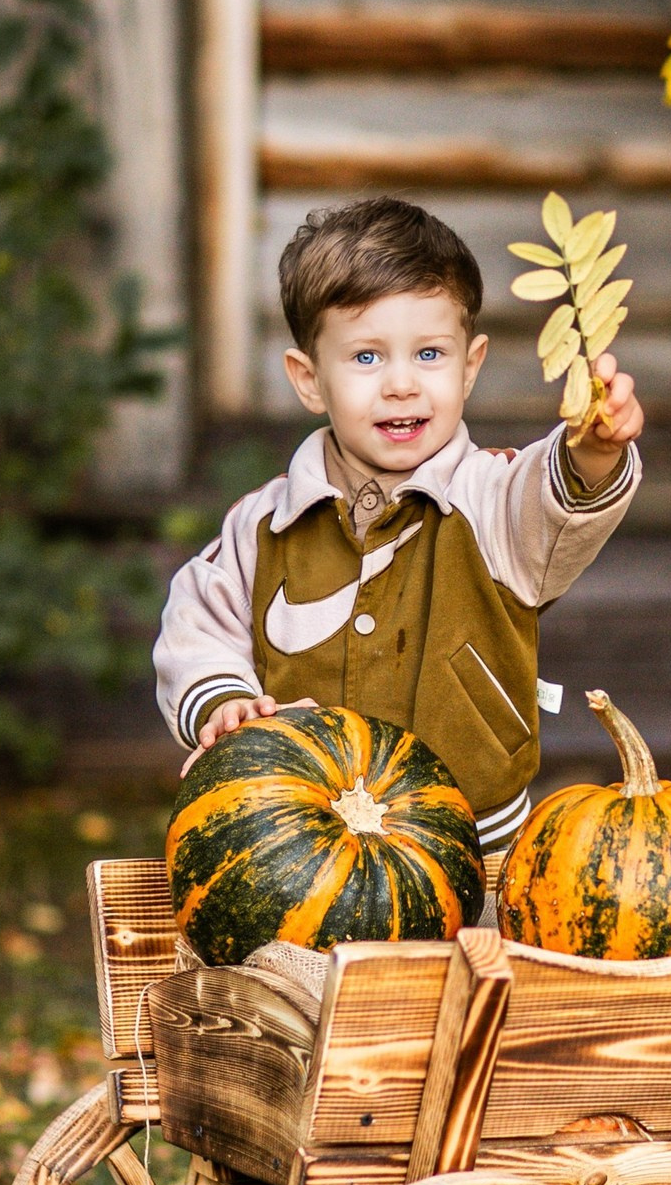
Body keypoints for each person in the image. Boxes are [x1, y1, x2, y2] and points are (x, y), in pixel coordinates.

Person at [154, 196, 643, 855]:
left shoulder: (491, 500)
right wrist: (224, 702)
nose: (402, 384)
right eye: (366, 358)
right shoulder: (263, 525)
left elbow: (554, 501)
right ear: (308, 379)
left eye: (430, 353)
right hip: (300, 843)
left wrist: (593, 450)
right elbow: (198, 622)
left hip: (476, 841)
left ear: (470, 367)